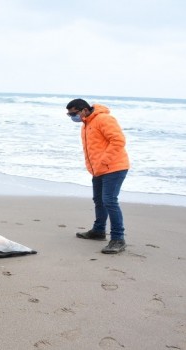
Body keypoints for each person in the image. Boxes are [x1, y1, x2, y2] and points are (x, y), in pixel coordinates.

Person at [65, 98, 130, 254]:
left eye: (73, 113)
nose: (72, 117)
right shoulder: (86, 124)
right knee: (99, 200)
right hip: (99, 170)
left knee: (109, 201)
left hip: (114, 167)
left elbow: (118, 141)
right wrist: (93, 166)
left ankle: (118, 239)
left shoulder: (104, 119)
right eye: (69, 115)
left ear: (84, 110)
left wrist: (103, 161)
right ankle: (99, 231)